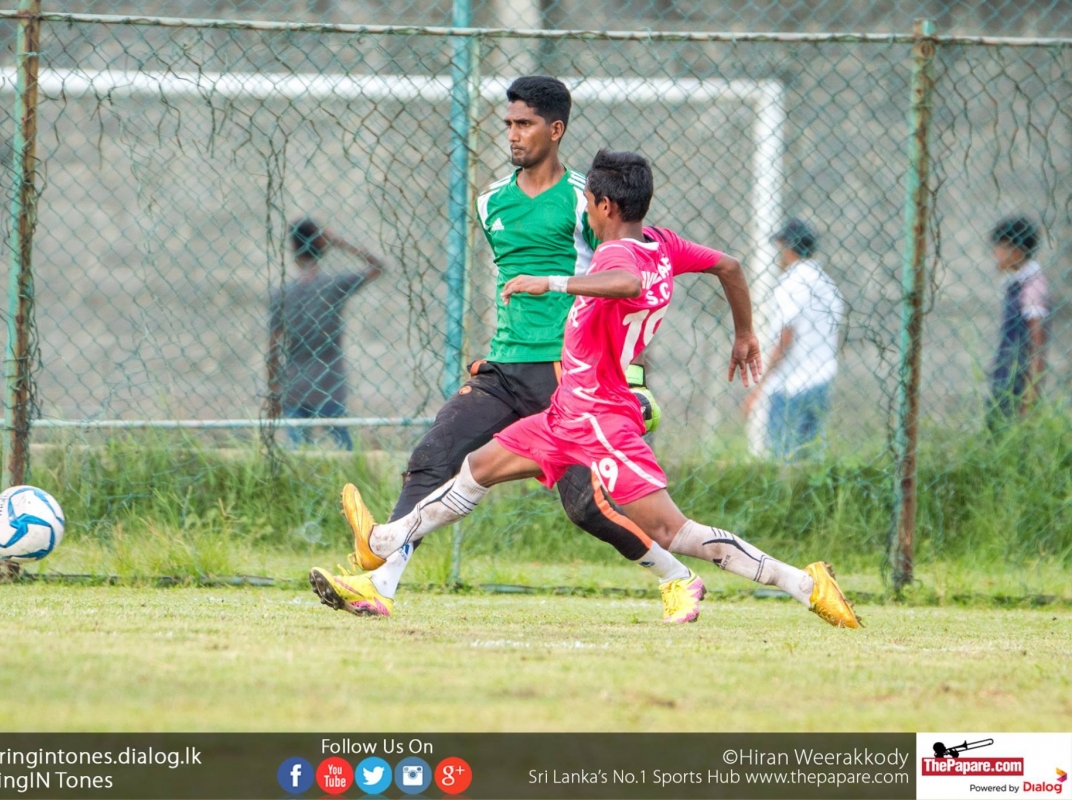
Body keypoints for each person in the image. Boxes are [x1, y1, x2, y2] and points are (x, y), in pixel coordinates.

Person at [313, 150, 861, 628]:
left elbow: (625, 281)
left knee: (672, 530)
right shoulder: (663, 243)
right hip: (565, 414)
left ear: (603, 205)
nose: (588, 217)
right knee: (477, 467)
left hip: (600, 419)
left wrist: (551, 282)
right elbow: (730, 266)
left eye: (590, 207)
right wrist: (744, 333)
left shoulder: (617, 255)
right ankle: (383, 549)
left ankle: (803, 583)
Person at [267, 218, 384, 450]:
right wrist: (340, 242)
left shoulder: (282, 293)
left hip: (294, 384)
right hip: (329, 383)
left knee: (296, 452)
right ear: (322, 246)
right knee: (344, 448)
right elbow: (378, 267)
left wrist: (274, 390)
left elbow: (273, 346)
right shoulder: (334, 285)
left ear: (293, 248)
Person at [742, 218, 844, 461]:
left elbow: (786, 336)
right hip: (821, 377)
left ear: (788, 248)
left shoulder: (792, 282)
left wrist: (760, 387)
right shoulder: (827, 284)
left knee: (782, 457)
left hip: (790, 384)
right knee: (810, 457)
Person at [986, 216, 1049, 426]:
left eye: (1000, 248)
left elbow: (1037, 345)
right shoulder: (1015, 283)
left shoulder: (1032, 286)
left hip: (1018, 380)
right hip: (1006, 374)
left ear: (1017, 250)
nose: (995, 254)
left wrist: (1030, 396)